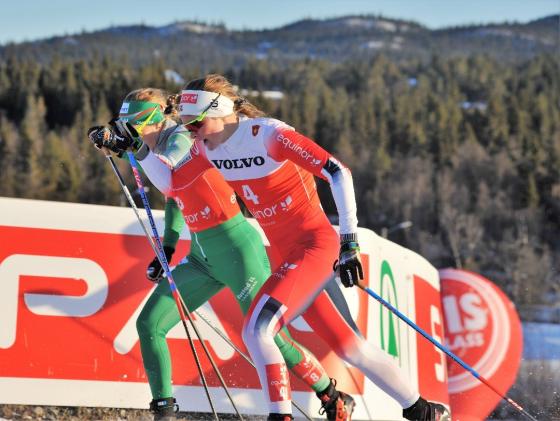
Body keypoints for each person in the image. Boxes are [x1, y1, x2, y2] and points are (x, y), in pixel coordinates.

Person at [174, 74, 451, 421]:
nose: (191, 132)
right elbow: (173, 182)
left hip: (315, 248)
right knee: (351, 348)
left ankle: (281, 416)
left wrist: (349, 242)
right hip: (288, 256)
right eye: (186, 126)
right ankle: (423, 411)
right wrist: (134, 146)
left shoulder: (268, 136)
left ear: (221, 110)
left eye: (195, 122)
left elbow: (338, 172)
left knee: (258, 330)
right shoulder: (205, 147)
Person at [88, 88, 356, 421]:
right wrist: (169, 248)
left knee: (271, 339)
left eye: (134, 125)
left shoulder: (181, 139)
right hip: (202, 257)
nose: (130, 131)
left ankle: (330, 392)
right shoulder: (154, 147)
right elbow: (176, 198)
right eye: (124, 125)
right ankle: (164, 411)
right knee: (149, 324)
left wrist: (131, 147)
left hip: (237, 253)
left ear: (156, 118)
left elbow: (170, 173)